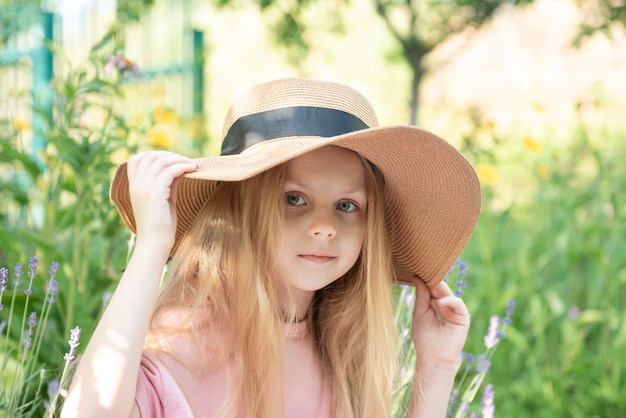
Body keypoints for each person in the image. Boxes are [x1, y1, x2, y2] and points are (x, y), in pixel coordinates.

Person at [62, 77, 481, 418]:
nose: (324, 227)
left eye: (347, 205)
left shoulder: (340, 352)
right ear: (240, 209)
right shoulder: (186, 346)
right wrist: (151, 250)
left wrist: (437, 366)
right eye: (293, 198)